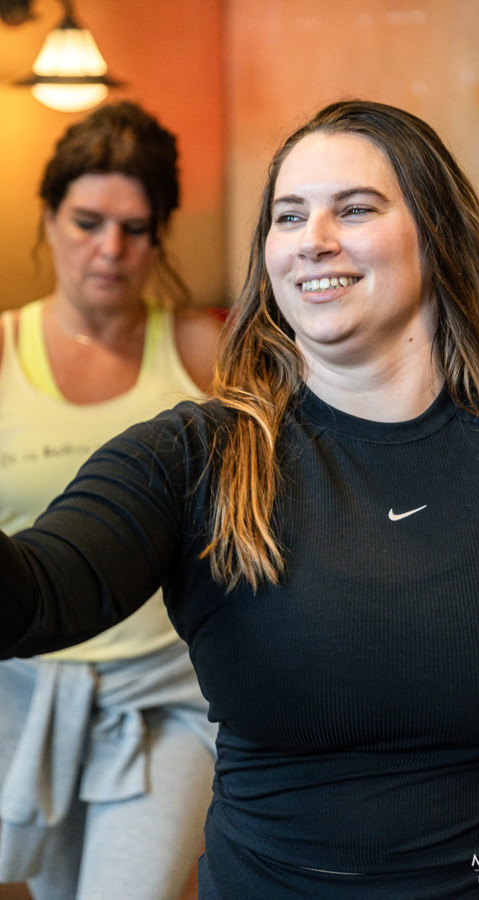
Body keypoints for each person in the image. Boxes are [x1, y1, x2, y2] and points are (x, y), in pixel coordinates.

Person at [1, 98, 479, 899]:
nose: (312, 238)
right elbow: (37, 596)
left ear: (436, 232)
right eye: (289, 216)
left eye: (354, 209)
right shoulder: (192, 458)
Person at [0, 101, 221, 900]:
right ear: (48, 218)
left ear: (159, 235)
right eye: (88, 222)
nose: (111, 249)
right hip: (21, 689)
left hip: (165, 696)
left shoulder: (202, 353)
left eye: (135, 228)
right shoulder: (3, 348)